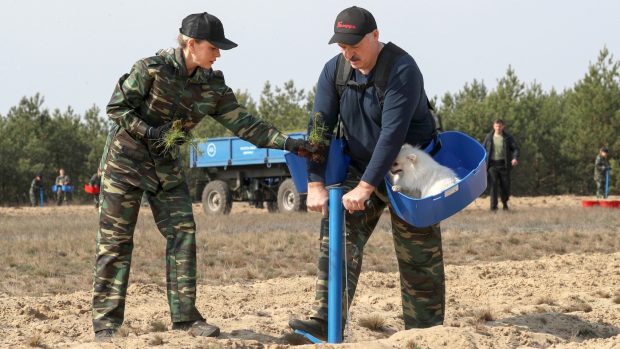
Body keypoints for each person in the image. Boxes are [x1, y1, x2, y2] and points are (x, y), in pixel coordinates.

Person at [92, 12, 316, 343]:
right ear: (191, 44)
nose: (218, 54)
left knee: (183, 233)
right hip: (125, 164)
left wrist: (287, 142)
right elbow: (117, 108)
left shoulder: (212, 85)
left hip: (166, 169)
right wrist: (150, 130)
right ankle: (106, 325)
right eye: (214, 47)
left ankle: (185, 319)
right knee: (116, 242)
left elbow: (244, 123)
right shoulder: (150, 69)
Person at [288, 6, 445, 340]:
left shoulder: (402, 69)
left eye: (355, 44)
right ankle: (325, 320)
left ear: (375, 35)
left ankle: (425, 332)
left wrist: (365, 187)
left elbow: (392, 135)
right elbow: (319, 128)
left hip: (410, 169)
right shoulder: (335, 71)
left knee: (418, 254)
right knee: (337, 232)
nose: (349, 52)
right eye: (342, 46)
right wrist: (314, 182)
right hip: (360, 165)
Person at [482, 119, 519, 211]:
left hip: (504, 165)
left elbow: (515, 149)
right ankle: (493, 207)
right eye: (496, 126)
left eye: (500, 126)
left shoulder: (508, 138)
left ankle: (505, 204)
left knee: (505, 186)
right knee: (493, 186)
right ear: (493, 126)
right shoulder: (489, 137)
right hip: (492, 165)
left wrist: (514, 158)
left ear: (503, 126)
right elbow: (482, 149)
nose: (498, 128)